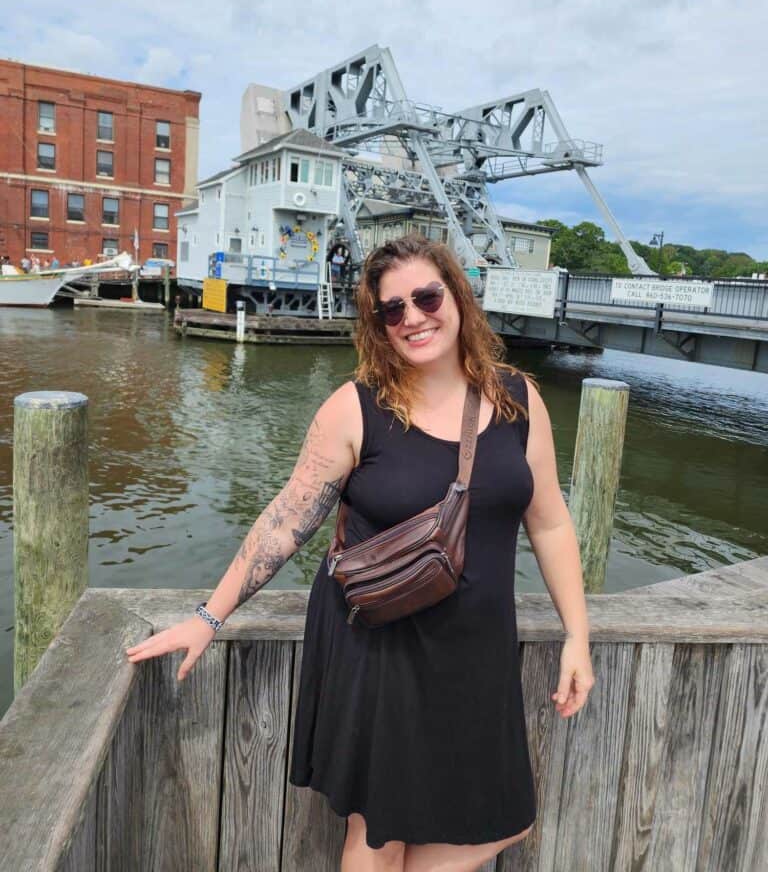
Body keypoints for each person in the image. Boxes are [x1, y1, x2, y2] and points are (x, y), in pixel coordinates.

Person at [126, 232, 595, 871]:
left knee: (505, 822)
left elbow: (550, 525)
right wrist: (209, 617)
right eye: (391, 310)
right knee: (377, 834)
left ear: (457, 296)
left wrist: (577, 636)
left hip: (476, 648)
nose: (412, 318)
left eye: (426, 297)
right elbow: (285, 524)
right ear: (377, 325)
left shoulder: (517, 399)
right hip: (379, 642)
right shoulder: (355, 409)